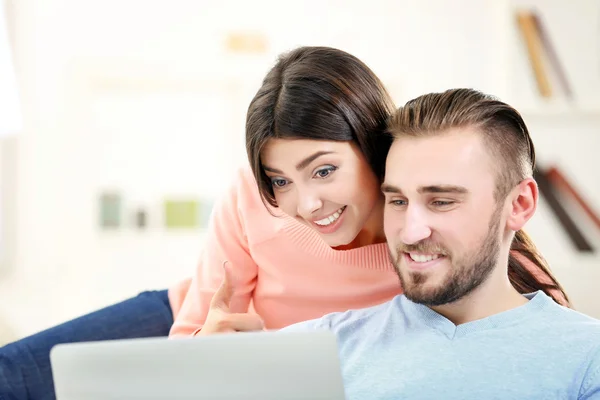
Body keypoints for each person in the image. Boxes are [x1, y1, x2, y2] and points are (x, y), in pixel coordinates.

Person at [0, 47, 569, 399]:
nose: (305, 203)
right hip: (192, 319)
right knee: (18, 375)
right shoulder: (253, 202)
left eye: (323, 170)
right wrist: (207, 343)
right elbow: (199, 328)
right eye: (280, 179)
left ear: (371, 148)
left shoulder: (426, 244)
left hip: (288, 355)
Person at [281, 88, 600, 399]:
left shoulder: (587, 358)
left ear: (518, 205)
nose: (409, 233)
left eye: (442, 202)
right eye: (398, 201)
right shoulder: (317, 350)